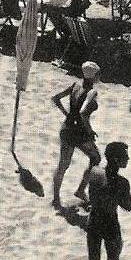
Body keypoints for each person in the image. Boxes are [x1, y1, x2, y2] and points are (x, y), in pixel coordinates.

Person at [72, 142, 131, 260]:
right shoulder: (122, 182)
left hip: (94, 221)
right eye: (125, 156)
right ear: (116, 159)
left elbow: (83, 193)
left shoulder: (94, 172)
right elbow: (128, 206)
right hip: (110, 224)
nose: (128, 158)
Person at [51, 61, 102, 210]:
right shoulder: (92, 92)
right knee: (95, 158)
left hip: (67, 129)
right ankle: (80, 190)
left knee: (62, 166)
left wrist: (67, 114)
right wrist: (90, 131)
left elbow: (56, 98)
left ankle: (56, 199)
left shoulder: (75, 86)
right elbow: (83, 114)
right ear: (94, 77)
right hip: (79, 133)